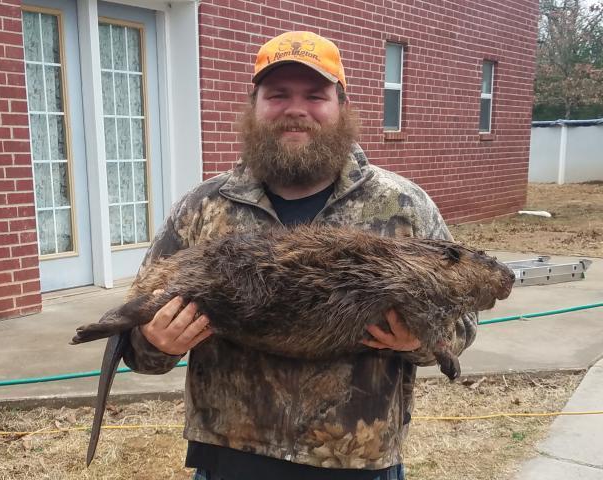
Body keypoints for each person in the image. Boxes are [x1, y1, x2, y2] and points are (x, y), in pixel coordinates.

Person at [122, 31, 477, 480]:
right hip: (231, 461)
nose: (296, 109)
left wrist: (419, 340)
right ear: (254, 106)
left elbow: (462, 324)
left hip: (356, 462)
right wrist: (156, 343)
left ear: (341, 106)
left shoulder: (403, 206)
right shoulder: (203, 208)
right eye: (278, 94)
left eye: (315, 95)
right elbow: (135, 338)